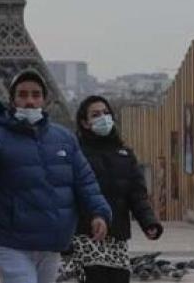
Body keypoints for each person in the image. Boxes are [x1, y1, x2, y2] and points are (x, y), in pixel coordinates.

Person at [0, 70, 112, 283]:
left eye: (36, 94)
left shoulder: (64, 138)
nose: (29, 101)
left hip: (51, 243)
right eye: (23, 94)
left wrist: (99, 212)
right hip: (11, 243)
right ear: (12, 100)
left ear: (45, 100)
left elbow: (85, 181)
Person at [63, 95, 162, 283]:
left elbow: (137, 195)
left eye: (106, 113)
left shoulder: (125, 155)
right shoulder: (76, 154)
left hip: (117, 236)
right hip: (86, 236)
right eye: (95, 114)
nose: (103, 117)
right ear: (84, 122)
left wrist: (149, 222)